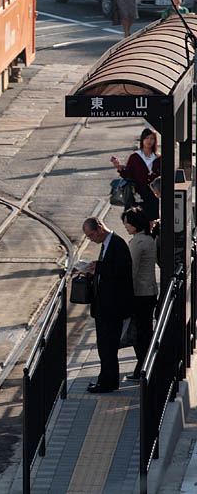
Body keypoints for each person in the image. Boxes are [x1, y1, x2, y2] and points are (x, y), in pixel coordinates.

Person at [82, 217, 134, 393]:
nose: (91, 239)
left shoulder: (117, 244)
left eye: (91, 235)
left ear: (99, 228)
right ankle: (104, 379)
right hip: (104, 307)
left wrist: (98, 267)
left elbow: (121, 271)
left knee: (108, 346)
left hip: (113, 307)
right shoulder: (107, 245)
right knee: (104, 346)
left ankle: (108, 382)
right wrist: (93, 272)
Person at [121, 208, 157, 380]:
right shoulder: (149, 239)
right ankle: (144, 366)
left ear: (135, 223)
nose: (126, 226)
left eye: (128, 222)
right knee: (145, 331)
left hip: (139, 293)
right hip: (149, 291)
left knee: (140, 333)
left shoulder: (137, 242)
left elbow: (131, 270)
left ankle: (142, 367)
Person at [111, 128, 161, 221]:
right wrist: (119, 168)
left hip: (153, 195)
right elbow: (128, 175)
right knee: (137, 220)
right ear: (142, 140)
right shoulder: (135, 157)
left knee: (152, 220)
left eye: (152, 138)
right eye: (147, 138)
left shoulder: (158, 157)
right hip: (137, 194)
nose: (149, 141)